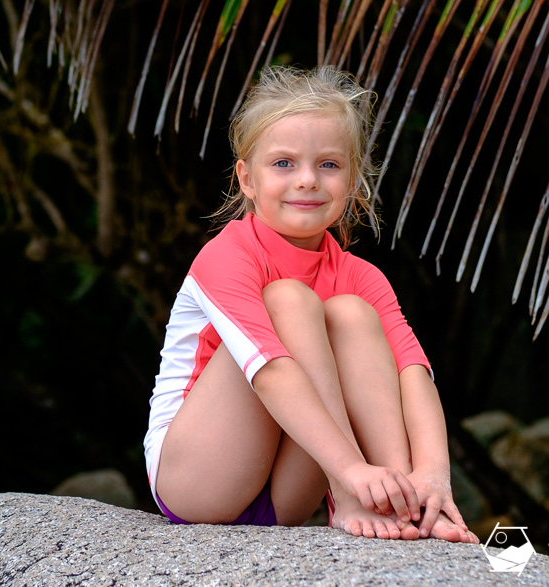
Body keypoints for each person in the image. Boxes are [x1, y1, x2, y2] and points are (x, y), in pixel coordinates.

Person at [143, 65, 478, 542]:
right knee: (289, 301)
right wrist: (350, 471)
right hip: (198, 481)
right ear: (247, 178)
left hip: (289, 494)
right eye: (283, 163)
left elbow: (412, 374)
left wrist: (430, 475)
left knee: (351, 313)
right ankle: (354, 486)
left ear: (354, 178)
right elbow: (270, 371)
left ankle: (402, 502)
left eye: (328, 164)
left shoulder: (362, 276)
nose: (307, 180)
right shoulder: (227, 256)